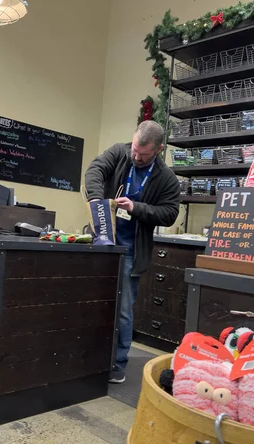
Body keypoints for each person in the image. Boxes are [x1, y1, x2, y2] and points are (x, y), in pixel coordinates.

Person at [85, 120, 181, 383]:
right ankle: (88, 359)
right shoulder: (120, 151)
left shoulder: (166, 179)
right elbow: (95, 169)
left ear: (158, 150)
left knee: (124, 311)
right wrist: (96, 198)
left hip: (130, 252)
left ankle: (118, 364)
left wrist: (136, 208)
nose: (136, 157)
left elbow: (170, 213)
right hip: (103, 242)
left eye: (143, 155)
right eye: (135, 151)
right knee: (92, 302)